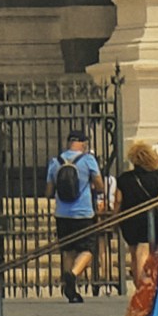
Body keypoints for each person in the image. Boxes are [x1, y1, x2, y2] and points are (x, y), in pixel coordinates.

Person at [50, 125, 105, 303]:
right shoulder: (88, 160)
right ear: (82, 144)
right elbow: (100, 185)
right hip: (83, 213)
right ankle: (73, 275)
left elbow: (48, 191)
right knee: (88, 249)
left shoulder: (55, 161)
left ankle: (70, 290)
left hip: (61, 213)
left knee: (68, 250)